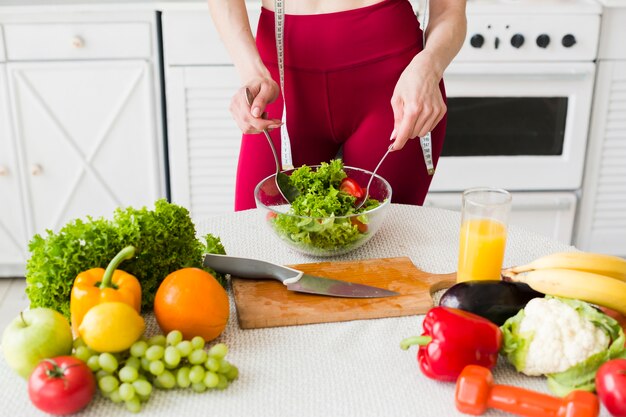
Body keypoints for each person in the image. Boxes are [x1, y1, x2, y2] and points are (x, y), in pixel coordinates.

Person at [207, 0, 467, 211]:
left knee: (382, 260)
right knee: (256, 245)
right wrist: (251, 72)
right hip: (280, 84)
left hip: (393, 81)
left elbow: (449, 10)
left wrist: (429, 67)